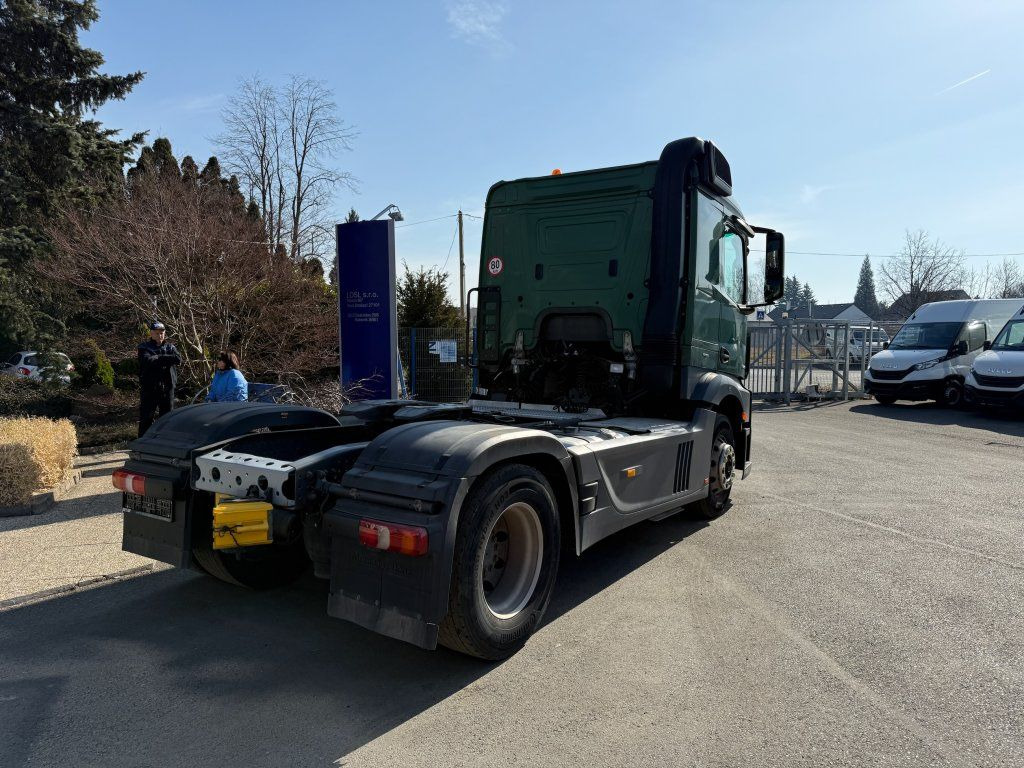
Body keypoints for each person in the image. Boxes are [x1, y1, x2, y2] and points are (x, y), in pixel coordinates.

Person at [137, 321, 181, 437]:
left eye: (162, 333)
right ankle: (143, 443)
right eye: (157, 333)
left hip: (167, 388)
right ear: (151, 333)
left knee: (167, 418)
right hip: (150, 388)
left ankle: (166, 440)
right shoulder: (144, 347)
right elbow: (148, 361)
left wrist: (158, 357)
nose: (159, 335)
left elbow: (177, 359)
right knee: (147, 417)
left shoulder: (170, 346)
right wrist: (166, 358)